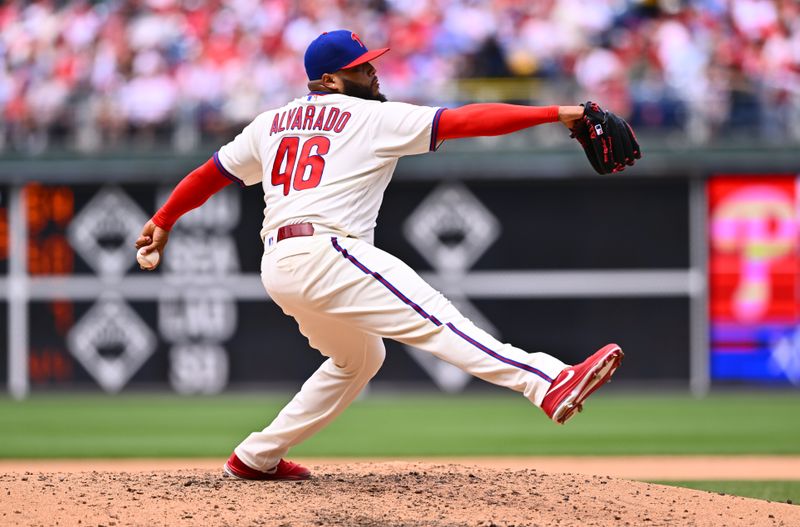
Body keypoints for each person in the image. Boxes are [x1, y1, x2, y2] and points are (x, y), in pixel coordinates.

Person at [135, 30, 624, 481]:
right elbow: (463, 120)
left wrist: (162, 221)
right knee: (439, 320)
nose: (373, 73)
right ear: (330, 80)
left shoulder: (271, 123)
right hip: (326, 252)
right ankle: (548, 380)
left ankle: (256, 457)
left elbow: (209, 173)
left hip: (280, 266)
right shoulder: (369, 116)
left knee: (359, 358)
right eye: (361, 68)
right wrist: (562, 113)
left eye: (371, 64)